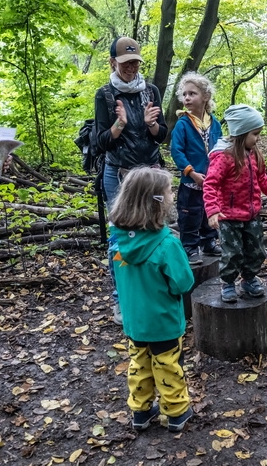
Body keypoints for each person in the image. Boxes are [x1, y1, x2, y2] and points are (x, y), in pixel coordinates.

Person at [109, 167, 195, 433]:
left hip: (134, 321)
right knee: (168, 365)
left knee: (139, 364)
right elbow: (183, 283)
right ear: (156, 201)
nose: (173, 195)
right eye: (169, 191)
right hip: (163, 321)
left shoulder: (118, 243)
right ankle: (177, 412)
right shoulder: (167, 244)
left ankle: (141, 411)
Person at [94, 36, 167, 325]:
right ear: (113, 62)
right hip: (119, 174)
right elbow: (100, 142)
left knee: (155, 230)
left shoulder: (151, 91)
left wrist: (152, 125)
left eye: (135, 61)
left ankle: (152, 290)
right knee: (121, 237)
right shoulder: (105, 95)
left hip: (150, 173)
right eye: (125, 63)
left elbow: (163, 136)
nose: (131, 67)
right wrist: (119, 124)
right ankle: (121, 299)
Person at [204, 104, 267, 303]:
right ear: (240, 133)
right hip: (229, 216)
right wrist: (213, 210)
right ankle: (228, 282)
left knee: (256, 250)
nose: (258, 138)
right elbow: (210, 183)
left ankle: (249, 279)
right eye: (255, 133)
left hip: (252, 214)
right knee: (232, 253)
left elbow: (262, 178)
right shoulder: (224, 157)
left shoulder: (254, 153)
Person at [170, 72, 223, 266]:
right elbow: (176, 151)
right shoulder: (183, 123)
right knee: (189, 214)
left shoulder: (214, 123)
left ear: (206, 97)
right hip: (190, 182)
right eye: (184, 94)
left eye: (192, 93)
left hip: (211, 181)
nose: (187, 98)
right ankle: (189, 247)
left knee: (209, 211)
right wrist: (191, 172)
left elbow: (220, 149)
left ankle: (208, 241)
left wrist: (219, 172)